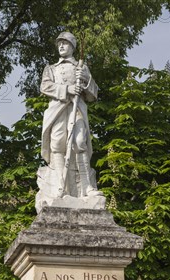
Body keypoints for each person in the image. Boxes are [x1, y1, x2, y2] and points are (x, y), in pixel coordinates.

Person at [36, 31, 104, 209]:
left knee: (79, 142)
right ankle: (61, 186)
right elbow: (45, 86)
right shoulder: (51, 68)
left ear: (73, 47)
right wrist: (68, 89)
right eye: (59, 43)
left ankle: (87, 188)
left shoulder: (81, 68)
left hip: (77, 109)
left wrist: (86, 80)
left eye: (65, 43)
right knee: (57, 144)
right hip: (58, 110)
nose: (61, 46)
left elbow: (93, 94)